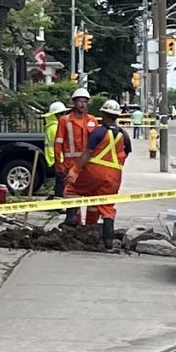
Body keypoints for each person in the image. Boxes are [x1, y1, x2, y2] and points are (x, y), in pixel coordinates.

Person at [65, 100, 130, 249]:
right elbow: (125, 154)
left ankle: (72, 223)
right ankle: (107, 241)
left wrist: (75, 170)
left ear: (103, 114)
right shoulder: (124, 135)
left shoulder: (98, 132)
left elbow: (87, 153)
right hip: (114, 176)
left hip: (94, 171)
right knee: (105, 205)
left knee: (71, 189)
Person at [55, 87, 98, 226]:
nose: (83, 104)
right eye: (80, 101)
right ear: (74, 102)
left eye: (85, 101)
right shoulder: (65, 120)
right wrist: (58, 162)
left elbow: (99, 142)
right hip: (70, 165)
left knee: (92, 195)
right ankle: (76, 225)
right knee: (73, 195)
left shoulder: (92, 120)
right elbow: (58, 142)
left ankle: (90, 226)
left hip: (89, 166)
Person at [42, 101, 70, 199]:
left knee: (57, 182)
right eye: (62, 113)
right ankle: (58, 203)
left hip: (52, 158)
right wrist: (62, 160)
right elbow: (59, 146)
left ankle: (51, 199)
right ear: (56, 115)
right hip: (57, 159)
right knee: (60, 183)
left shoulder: (51, 127)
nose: (64, 115)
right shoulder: (55, 128)